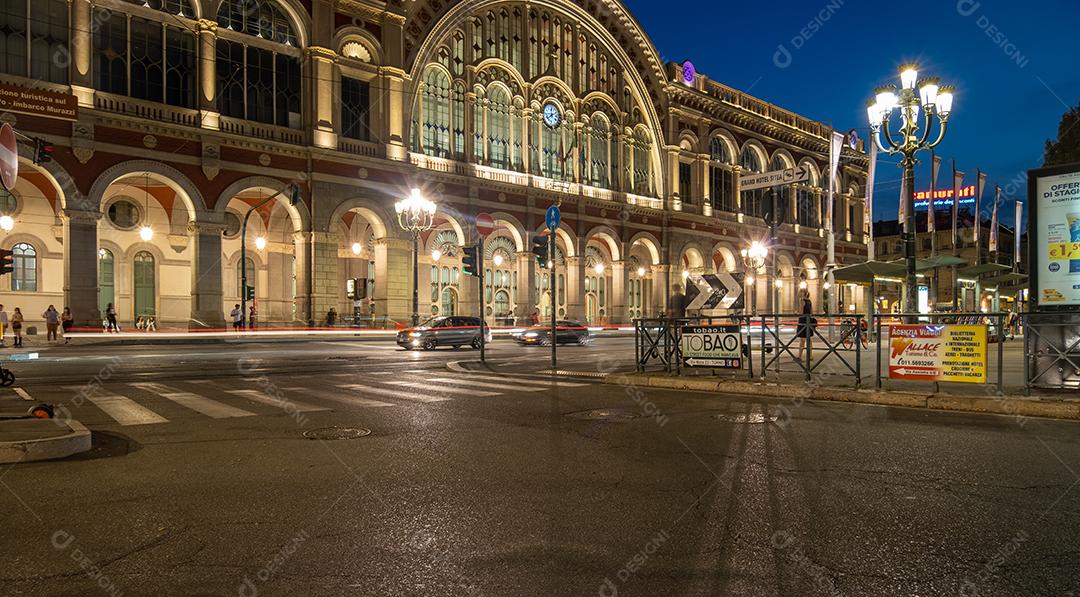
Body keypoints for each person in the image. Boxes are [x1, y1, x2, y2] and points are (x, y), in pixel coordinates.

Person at [795, 296, 814, 362]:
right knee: (809, 339)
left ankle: (800, 357)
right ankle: (810, 356)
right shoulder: (809, 301)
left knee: (802, 340)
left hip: (803, 321)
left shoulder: (802, 301)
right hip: (809, 320)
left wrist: (796, 312)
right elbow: (811, 312)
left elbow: (801, 312)